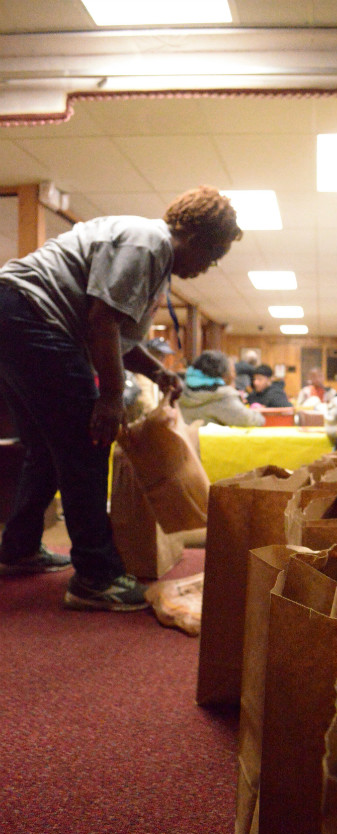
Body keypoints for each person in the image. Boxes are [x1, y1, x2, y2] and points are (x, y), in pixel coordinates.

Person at [0, 185, 242, 610]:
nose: (210, 266)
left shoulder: (148, 249)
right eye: (214, 254)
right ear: (198, 239)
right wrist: (109, 398)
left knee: (46, 447)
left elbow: (118, 336)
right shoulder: (148, 243)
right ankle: (96, 576)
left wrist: (157, 370)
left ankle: (17, 549)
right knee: (86, 443)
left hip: (15, 317)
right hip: (32, 318)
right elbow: (102, 322)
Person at [179, 350, 265, 427]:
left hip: (185, 443)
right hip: (210, 444)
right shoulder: (222, 397)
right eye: (232, 371)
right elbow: (252, 420)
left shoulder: (183, 393)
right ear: (224, 375)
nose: (234, 375)